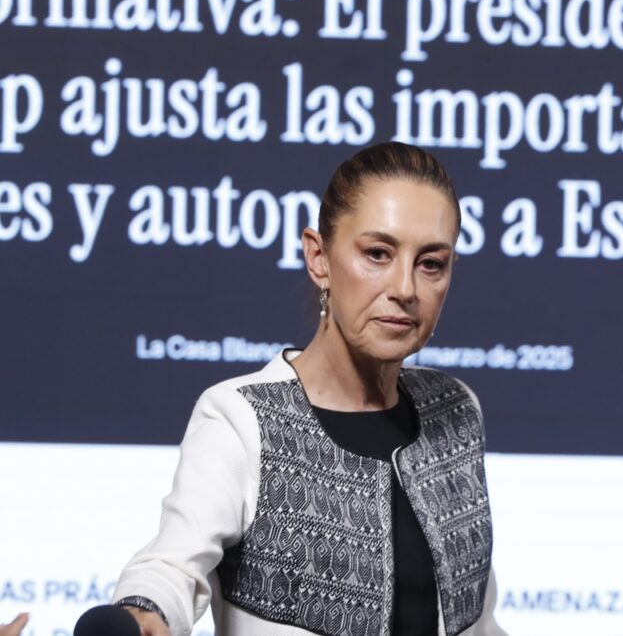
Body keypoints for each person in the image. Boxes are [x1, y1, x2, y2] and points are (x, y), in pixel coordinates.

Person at [105, 142, 508, 636]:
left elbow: (479, 620)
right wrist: (141, 613)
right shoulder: (243, 418)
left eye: (431, 263)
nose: (405, 288)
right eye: (377, 254)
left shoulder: (456, 409)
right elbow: (171, 566)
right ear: (319, 258)